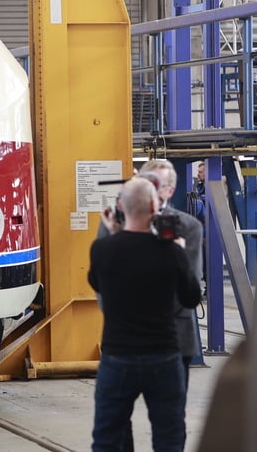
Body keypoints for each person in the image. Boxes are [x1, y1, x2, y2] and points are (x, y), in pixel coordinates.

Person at [89, 177, 201, 452]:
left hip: (117, 358)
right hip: (163, 357)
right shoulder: (172, 252)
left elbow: (98, 283)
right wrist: (182, 256)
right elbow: (191, 298)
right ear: (155, 206)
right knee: (169, 438)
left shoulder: (102, 249)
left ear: (120, 207)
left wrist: (115, 233)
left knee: (107, 438)